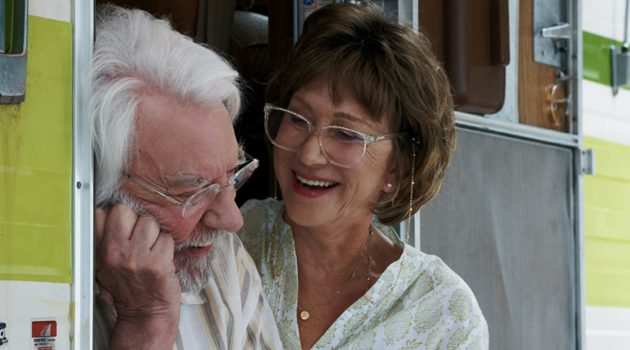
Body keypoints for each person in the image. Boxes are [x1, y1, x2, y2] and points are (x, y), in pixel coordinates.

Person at [237, 3, 489, 349]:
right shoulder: (228, 239)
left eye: (345, 134)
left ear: (399, 167)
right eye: (297, 118)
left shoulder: (442, 313)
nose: (309, 153)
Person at [90, 5, 281, 349]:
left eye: (231, 176)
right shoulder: (33, 295)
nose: (233, 220)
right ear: (97, 186)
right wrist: (147, 325)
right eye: (193, 192)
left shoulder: (221, 259)